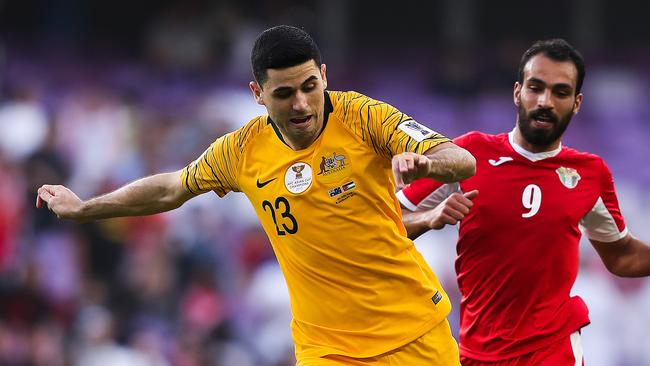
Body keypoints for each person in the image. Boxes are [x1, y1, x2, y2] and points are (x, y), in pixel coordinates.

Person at [36, 25, 476, 365]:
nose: (301, 104)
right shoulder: (241, 151)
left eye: (310, 87)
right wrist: (86, 208)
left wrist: (425, 163)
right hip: (326, 349)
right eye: (284, 94)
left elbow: (460, 159)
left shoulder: (363, 116)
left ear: (324, 76)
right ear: (258, 94)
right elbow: (173, 187)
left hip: (415, 331)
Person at [397, 39, 650, 365]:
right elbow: (383, 225)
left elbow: (622, 257)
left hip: (554, 351)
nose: (545, 101)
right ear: (517, 92)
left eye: (560, 92)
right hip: (478, 352)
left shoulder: (589, 173)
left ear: (576, 102)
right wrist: (429, 218)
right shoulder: (469, 154)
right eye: (536, 87)